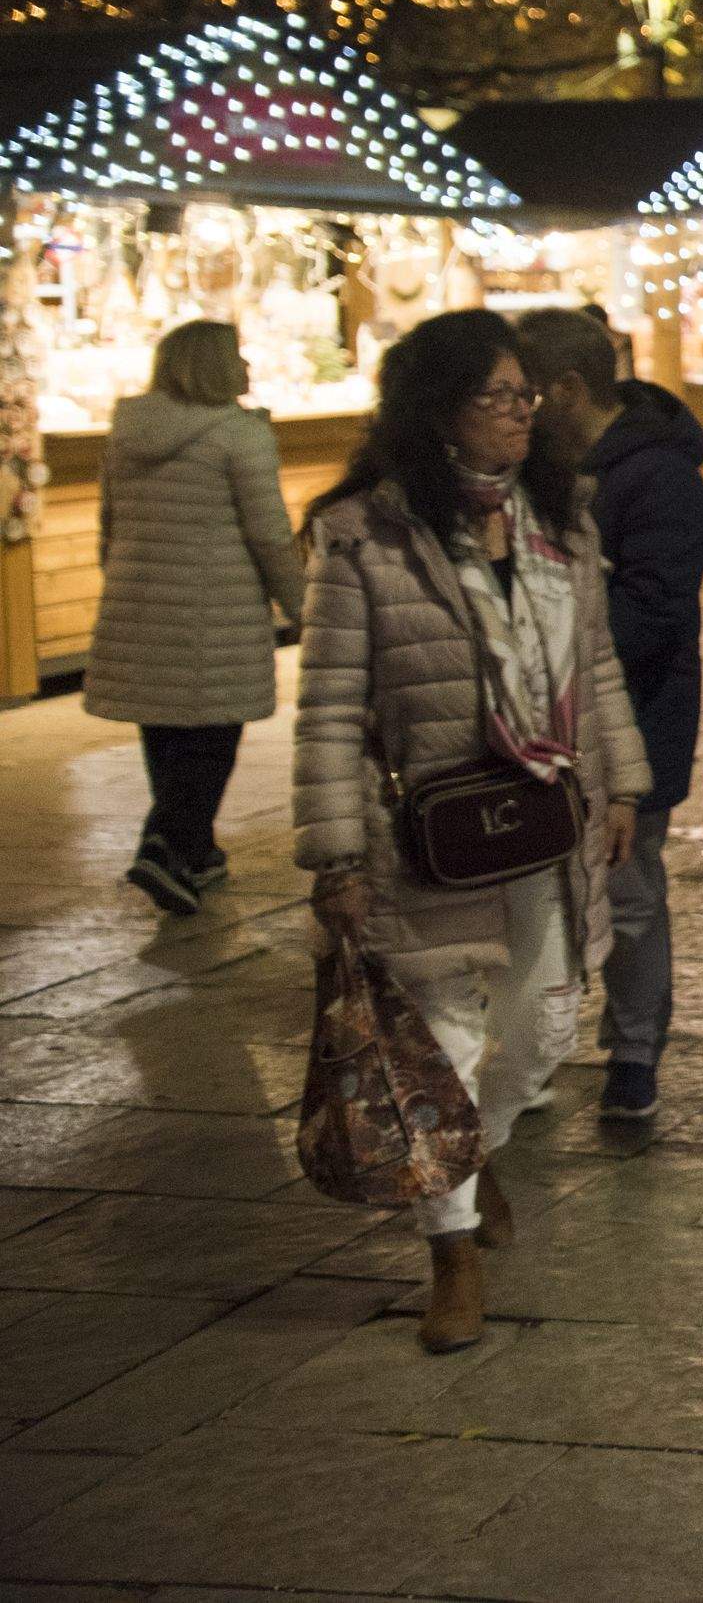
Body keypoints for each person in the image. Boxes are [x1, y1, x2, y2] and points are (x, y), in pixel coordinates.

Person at [292, 310, 646, 1352]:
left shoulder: (559, 519)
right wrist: (337, 854)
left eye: (526, 395)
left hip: (548, 813)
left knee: (546, 1024)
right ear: (436, 410)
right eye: (496, 397)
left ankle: (467, 1150)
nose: (520, 414)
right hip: (427, 827)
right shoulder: (366, 534)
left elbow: (599, 667)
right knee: (440, 1034)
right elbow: (328, 707)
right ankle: (450, 1249)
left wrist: (623, 786)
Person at [515, 306, 703, 1128]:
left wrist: (552, 650)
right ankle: (534, 1045)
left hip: (635, 710)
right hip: (539, 719)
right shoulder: (537, 466)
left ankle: (633, 1051)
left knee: (628, 888)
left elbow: (654, 607)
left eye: (523, 391)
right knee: (534, 887)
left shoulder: (657, 474)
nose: (513, 409)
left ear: (565, 387)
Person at [86, 320, 306, 914]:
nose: (248, 367)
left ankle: (197, 853)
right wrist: (303, 606)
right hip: (216, 612)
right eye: (238, 355)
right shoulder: (239, 435)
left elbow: (108, 522)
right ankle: (163, 848)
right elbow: (268, 535)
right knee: (212, 737)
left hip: (139, 606)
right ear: (211, 365)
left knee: (163, 732)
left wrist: (125, 581)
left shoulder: (127, 431)